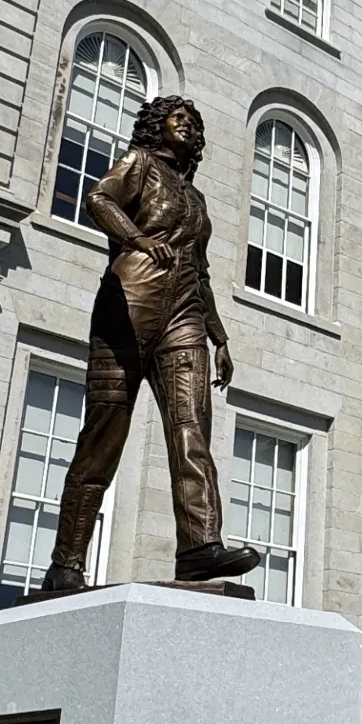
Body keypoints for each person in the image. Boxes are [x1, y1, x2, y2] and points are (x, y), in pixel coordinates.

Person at [41, 95, 260, 591]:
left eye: (192, 121)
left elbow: (200, 271)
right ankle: (67, 563)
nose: (185, 125)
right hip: (129, 305)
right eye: (176, 118)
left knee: (191, 429)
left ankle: (201, 548)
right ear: (156, 127)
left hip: (184, 314)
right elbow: (99, 198)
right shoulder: (138, 164)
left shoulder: (197, 201)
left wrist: (219, 337)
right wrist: (136, 238)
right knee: (103, 438)